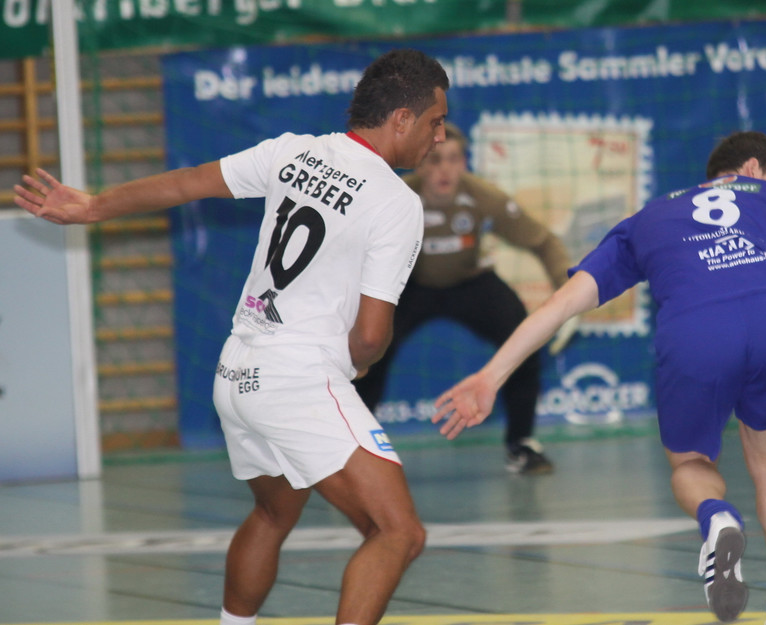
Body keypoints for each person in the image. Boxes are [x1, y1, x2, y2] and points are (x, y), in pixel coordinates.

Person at [15, 49, 450, 625]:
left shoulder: (291, 151)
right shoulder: (396, 203)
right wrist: (359, 366)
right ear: (401, 119)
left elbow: (184, 184)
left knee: (274, 514)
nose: (440, 136)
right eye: (435, 122)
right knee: (398, 532)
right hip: (297, 380)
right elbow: (370, 337)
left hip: (237, 372)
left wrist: (95, 206)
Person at [431, 131, 766, 625]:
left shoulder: (645, 220)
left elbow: (560, 305)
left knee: (691, 464)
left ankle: (716, 516)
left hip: (695, 328)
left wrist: (491, 376)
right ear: (751, 171)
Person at [355, 122, 577, 475]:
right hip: (410, 286)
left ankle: (521, 444)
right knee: (368, 350)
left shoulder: (483, 197)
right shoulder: (396, 197)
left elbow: (544, 242)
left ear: (464, 163)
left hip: (471, 283)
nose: (444, 169)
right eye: (435, 160)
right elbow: (350, 247)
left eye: (454, 159)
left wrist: (569, 295)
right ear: (419, 164)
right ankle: (353, 445)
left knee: (523, 342)